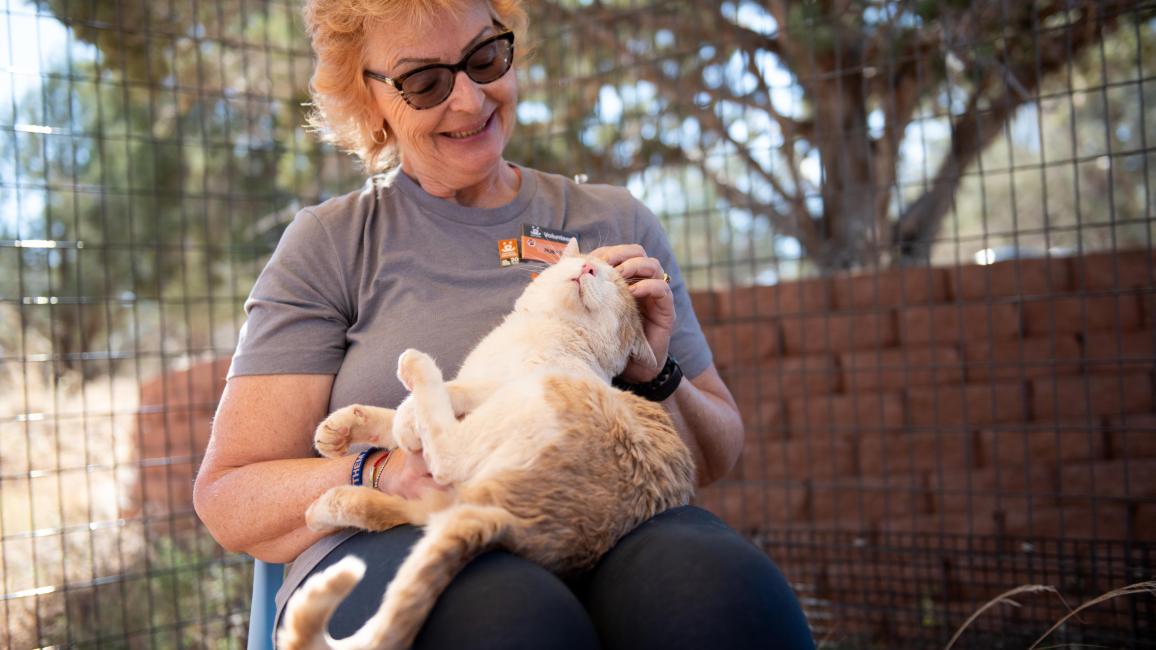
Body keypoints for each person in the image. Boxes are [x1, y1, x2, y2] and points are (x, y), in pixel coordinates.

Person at [193, 0, 814, 648]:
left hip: (605, 522)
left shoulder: (613, 220)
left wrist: (653, 371)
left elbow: (717, 453)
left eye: (485, 57)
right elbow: (230, 495)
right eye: (425, 81)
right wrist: (381, 472)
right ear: (367, 99)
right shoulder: (333, 242)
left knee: (718, 594)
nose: (468, 100)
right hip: (410, 530)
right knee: (510, 621)